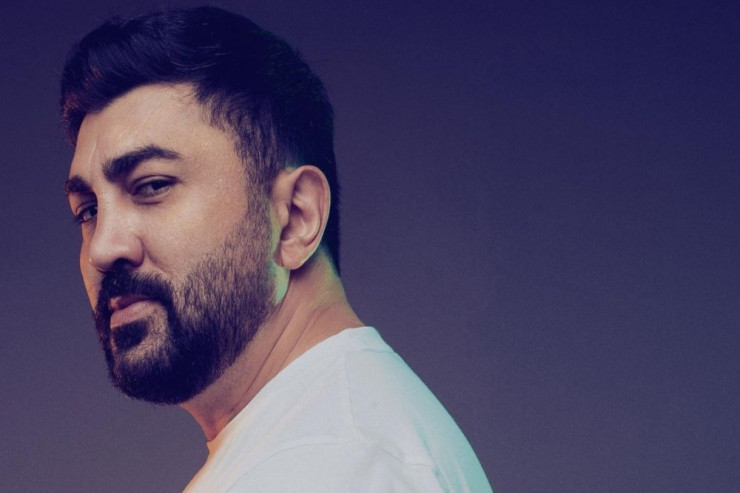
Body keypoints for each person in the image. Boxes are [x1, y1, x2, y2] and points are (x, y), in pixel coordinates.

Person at [61, 6, 492, 492]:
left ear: (294, 218)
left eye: (152, 185)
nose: (102, 249)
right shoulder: (326, 442)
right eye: (87, 211)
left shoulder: (330, 465)